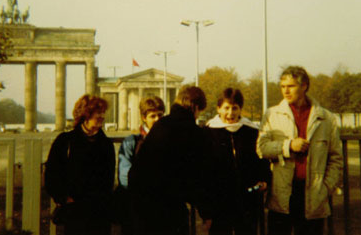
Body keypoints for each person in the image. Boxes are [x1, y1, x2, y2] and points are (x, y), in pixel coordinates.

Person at [257, 66, 342, 235]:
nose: (285, 91)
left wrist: (325, 188)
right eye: (282, 86)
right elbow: (261, 148)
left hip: (313, 194)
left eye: (291, 86)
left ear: (304, 86)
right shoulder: (272, 115)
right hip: (282, 195)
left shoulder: (326, 118)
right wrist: (287, 146)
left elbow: (336, 159)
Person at [128, 85, 215, 235]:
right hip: (169, 208)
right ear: (194, 107)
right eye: (199, 111)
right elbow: (198, 177)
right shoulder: (193, 132)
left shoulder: (160, 125)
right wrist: (207, 212)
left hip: (142, 205)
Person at [45, 94, 115, 235]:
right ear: (85, 114)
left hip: (99, 213)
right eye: (98, 112)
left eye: (103, 112)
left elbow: (108, 179)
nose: (102, 116)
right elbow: (51, 174)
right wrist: (63, 198)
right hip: (74, 212)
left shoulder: (106, 144)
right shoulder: (65, 141)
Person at [206, 87, 270, 235]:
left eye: (235, 108)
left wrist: (264, 179)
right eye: (226, 108)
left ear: (240, 109)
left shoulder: (251, 131)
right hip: (220, 201)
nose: (230, 113)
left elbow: (261, 159)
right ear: (218, 109)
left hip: (247, 199)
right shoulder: (208, 132)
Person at [116, 96, 165, 235]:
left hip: (162, 208)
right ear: (144, 118)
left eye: (160, 115)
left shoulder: (171, 141)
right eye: (152, 116)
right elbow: (125, 177)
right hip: (137, 207)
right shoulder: (132, 142)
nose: (157, 119)